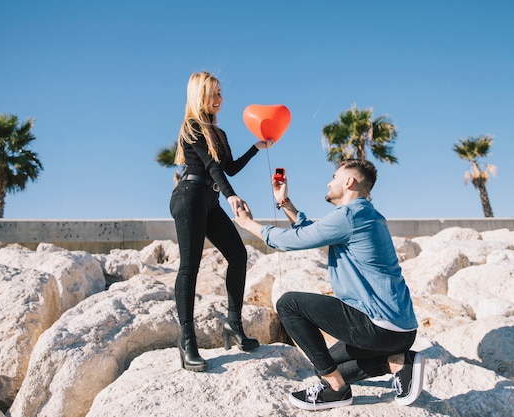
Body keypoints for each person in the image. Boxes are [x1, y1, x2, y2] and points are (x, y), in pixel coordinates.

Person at [234, 159, 424, 410]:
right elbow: (313, 231)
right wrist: (284, 202)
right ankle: (397, 362)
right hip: (400, 331)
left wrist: (248, 224)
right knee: (325, 363)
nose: (328, 182)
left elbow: (290, 241)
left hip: (379, 327)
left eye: (334, 176)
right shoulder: (365, 215)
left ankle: (336, 390)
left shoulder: (350, 216)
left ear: (348, 182)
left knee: (289, 303)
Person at [170, 71, 273, 372]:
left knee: (238, 255)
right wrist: (231, 196)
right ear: (199, 95)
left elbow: (230, 168)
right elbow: (211, 166)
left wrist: (256, 148)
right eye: (213, 94)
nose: (219, 99)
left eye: (220, 93)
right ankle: (187, 340)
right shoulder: (191, 127)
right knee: (190, 266)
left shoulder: (221, 133)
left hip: (211, 200)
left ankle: (233, 325)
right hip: (189, 196)